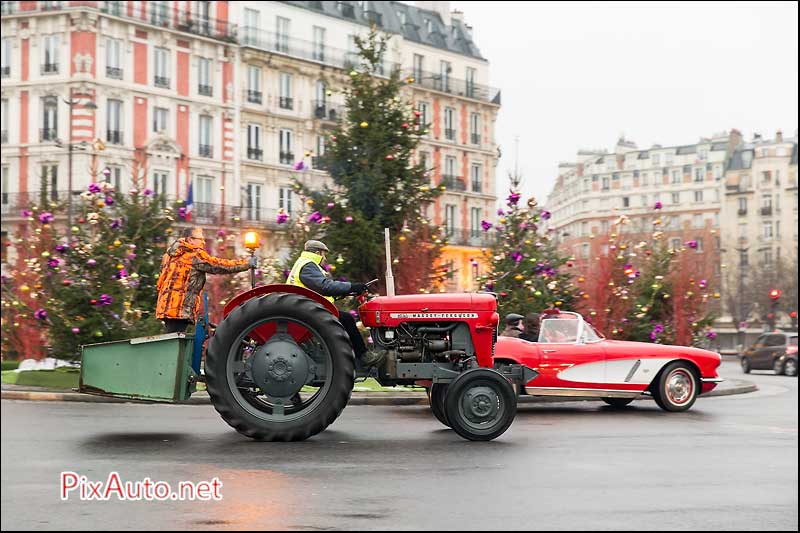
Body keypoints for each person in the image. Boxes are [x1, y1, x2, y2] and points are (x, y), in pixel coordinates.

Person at [287, 239, 383, 367]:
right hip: (307, 310)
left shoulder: (304, 264)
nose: (325, 258)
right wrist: (352, 286)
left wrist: (346, 292)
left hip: (307, 307)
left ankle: (354, 356)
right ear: (317, 253)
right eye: (324, 254)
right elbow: (324, 286)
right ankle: (363, 356)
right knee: (347, 319)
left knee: (345, 318)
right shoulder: (307, 265)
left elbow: (318, 291)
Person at [156, 227, 255, 333]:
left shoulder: (168, 256)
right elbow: (218, 265)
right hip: (180, 308)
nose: (203, 242)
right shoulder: (194, 254)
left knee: (172, 336)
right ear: (190, 239)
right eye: (200, 239)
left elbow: (160, 282)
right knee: (176, 341)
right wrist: (246, 263)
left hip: (165, 307)